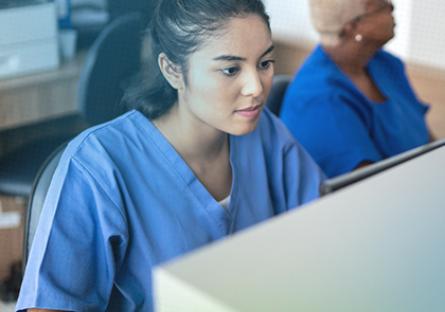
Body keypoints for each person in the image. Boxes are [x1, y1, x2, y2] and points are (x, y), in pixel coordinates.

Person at [17, 0, 324, 311]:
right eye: (231, 69)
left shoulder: (266, 134)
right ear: (173, 71)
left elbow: (326, 236)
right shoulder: (97, 167)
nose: (256, 87)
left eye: (264, 63)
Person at [280, 0, 434, 178]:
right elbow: (369, 187)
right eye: (381, 6)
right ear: (352, 27)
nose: (392, 6)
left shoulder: (387, 65)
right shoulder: (319, 98)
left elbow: (429, 143)